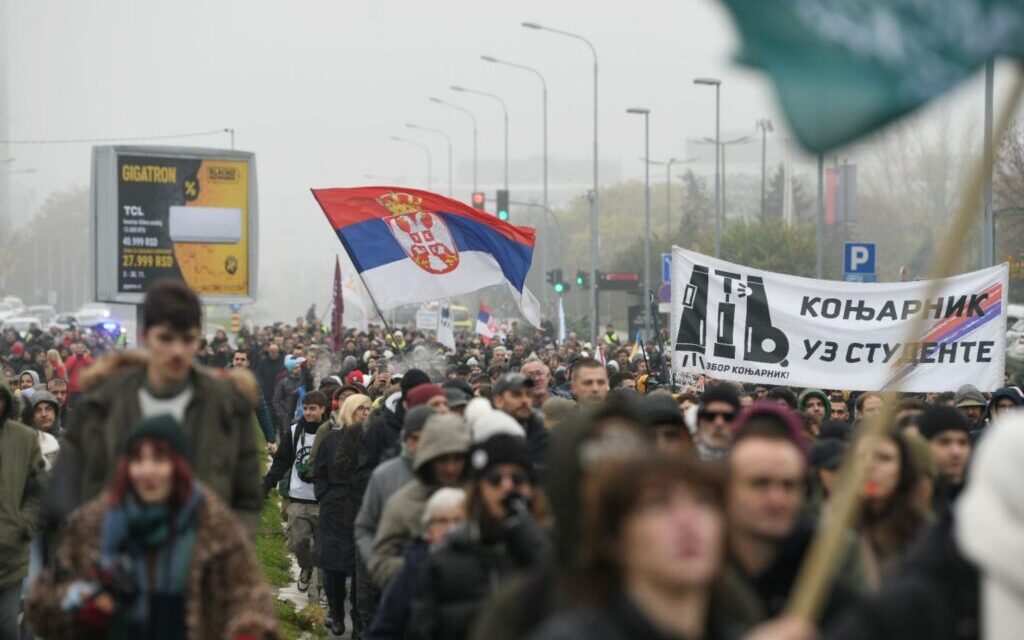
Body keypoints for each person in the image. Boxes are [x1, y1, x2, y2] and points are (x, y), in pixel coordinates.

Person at [25, 415, 280, 639]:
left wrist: (247, 633)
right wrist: (82, 608)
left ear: (179, 466)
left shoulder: (212, 524)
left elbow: (249, 599)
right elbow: (43, 604)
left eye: (159, 459)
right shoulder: (93, 523)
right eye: (138, 459)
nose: (147, 470)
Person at [49, 279, 263, 534]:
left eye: (188, 339)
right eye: (165, 338)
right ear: (145, 336)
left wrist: (224, 549)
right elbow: (64, 493)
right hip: (113, 551)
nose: (177, 351)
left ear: (199, 339)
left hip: (202, 551)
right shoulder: (103, 402)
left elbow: (247, 498)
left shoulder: (228, 404)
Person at [529, 453, 810, 640]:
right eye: (658, 504)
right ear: (615, 535)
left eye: (703, 502)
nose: (688, 521)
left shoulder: (739, 628)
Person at [718, 402, 864, 634]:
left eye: (789, 485)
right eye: (760, 483)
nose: (777, 499)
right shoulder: (696, 567)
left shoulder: (829, 560)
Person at [406, 434, 551, 640]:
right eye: (495, 479)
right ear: (479, 489)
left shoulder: (549, 551)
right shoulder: (446, 560)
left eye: (517, 478)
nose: (507, 486)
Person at [354, 406, 436, 632]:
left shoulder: (451, 474)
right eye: (415, 438)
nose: (420, 445)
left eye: (427, 438)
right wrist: (380, 564)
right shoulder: (385, 475)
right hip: (392, 577)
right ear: (405, 439)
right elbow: (365, 526)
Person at [370, 413, 470, 589]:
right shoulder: (403, 503)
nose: (451, 468)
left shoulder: (479, 497)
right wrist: (425, 568)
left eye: (457, 459)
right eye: (443, 459)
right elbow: (380, 564)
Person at [367, 488, 466, 640]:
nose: (451, 529)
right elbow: (385, 629)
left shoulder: (486, 566)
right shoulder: (411, 572)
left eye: (458, 521)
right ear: (429, 529)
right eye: (442, 521)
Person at [314, 393, 372, 638]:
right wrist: (324, 494)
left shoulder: (372, 438)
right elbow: (319, 470)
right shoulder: (332, 438)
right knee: (334, 565)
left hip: (361, 505)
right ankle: (336, 612)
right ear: (350, 410)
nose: (365, 413)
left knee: (359, 568)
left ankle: (359, 619)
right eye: (361, 409)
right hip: (335, 506)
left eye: (368, 409)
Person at [263, 390, 330, 593]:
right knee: (299, 541)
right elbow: (282, 461)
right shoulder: (294, 432)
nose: (308, 413)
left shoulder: (331, 431)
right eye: (305, 408)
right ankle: (306, 567)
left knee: (323, 546)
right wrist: (267, 483)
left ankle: (322, 589)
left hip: (323, 498)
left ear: (323, 409)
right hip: (299, 496)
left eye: (313, 409)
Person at [853, 430, 929, 590]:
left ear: (902, 470)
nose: (870, 466)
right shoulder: (828, 531)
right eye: (862, 457)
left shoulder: (924, 532)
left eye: (884, 458)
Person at [0, 374, 45, 640]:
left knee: (7, 628)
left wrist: (24, 525)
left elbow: (37, 491)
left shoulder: (24, 439)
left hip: (10, 558)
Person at [918, 405, 972, 516]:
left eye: (962, 443)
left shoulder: (984, 499)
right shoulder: (909, 504)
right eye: (944, 442)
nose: (956, 452)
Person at [492, 372, 548, 470]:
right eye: (516, 395)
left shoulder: (541, 432)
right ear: (498, 401)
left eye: (529, 395)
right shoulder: (487, 435)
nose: (525, 400)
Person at [231, 348, 277, 449]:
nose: (239, 362)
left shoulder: (252, 384)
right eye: (237, 359)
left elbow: (262, 411)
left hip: (244, 433)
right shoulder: (222, 380)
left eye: (242, 360)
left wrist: (271, 439)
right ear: (232, 361)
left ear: (248, 363)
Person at [693, 385, 741, 462]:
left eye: (728, 417)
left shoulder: (753, 464)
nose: (719, 423)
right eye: (710, 416)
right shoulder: (678, 461)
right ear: (699, 422)